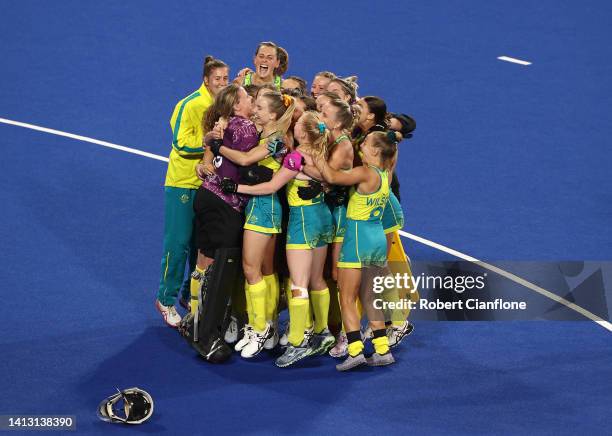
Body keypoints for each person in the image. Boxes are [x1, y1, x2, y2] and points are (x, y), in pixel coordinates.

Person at [222, 111, 336, 366]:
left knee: (298, 284)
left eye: (297, 125)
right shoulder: (321, 152)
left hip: (303, 223)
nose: (293, 126)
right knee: (317, 279)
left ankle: (298, 342)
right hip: (322, 219)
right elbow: (331, 178)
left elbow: (271, 187)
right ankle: (321, 332)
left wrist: (238, 187)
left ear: (303, 133)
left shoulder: (296, 157)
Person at [307, 130, 401, 371]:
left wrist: (316, 154)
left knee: (346, 297)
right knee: (370, 297)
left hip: (357, 239)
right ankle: (382, 349)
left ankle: (356, 350)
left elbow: (331, 176)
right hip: (377, 239)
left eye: (366, 144)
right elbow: (393, 154)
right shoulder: (386, 174)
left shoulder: (365, 172)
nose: (361, 146)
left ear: (376, 151)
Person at [211, 91, 295, 358]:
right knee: (263, 269)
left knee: (250, 269)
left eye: (259, 107)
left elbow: (247, 160)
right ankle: (266, 327)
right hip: (260, 207)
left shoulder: (275, 139)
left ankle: (259, 329)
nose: (254, 111)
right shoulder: (268, 133)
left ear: (272, 115)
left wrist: (217, 148)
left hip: (263, 207)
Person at [155, 56, 229, 327]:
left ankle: (189, 293)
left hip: (208, 186)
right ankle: (166, 298)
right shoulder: (190, 104)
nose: (221, 83)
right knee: (178, 243)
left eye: (225, 78)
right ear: (206, 79)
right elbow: (180, 143)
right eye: (217, 79)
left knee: (201, 244)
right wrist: (208, 143)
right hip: (183, 183)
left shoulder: (224, 107)